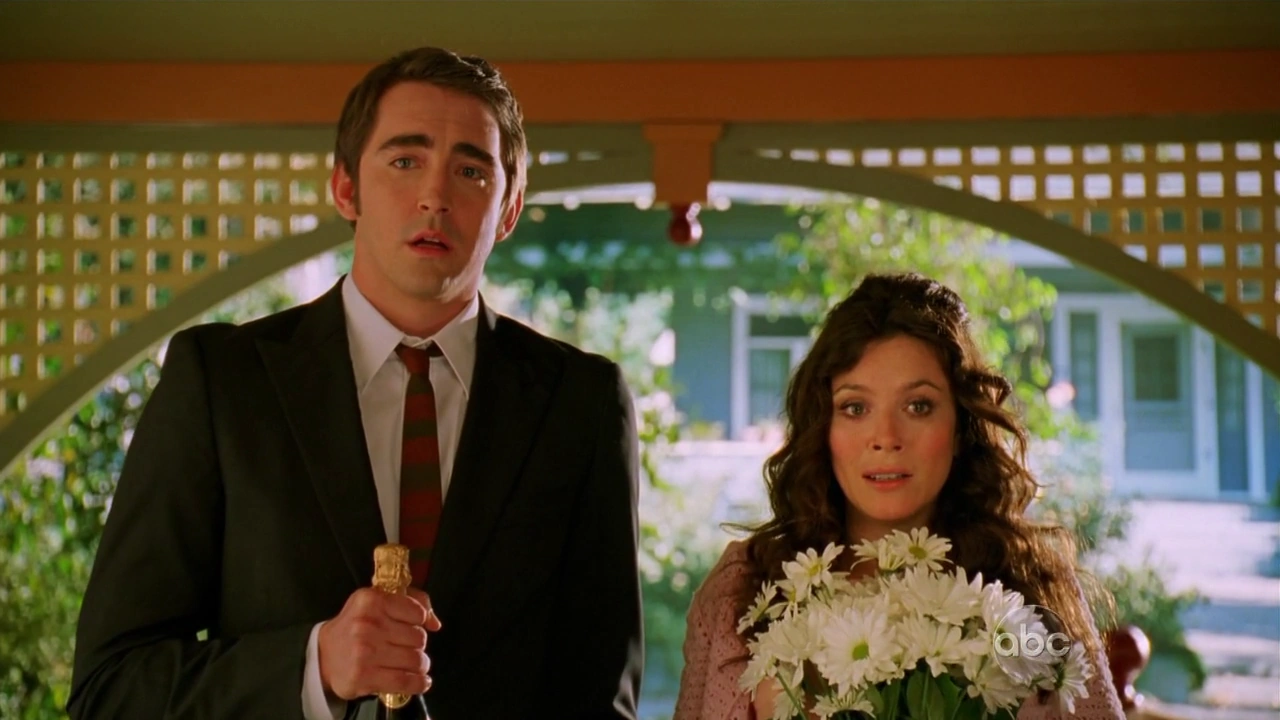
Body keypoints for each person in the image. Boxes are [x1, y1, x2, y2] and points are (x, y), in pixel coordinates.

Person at [68, 46, 644, 720]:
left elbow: (599, 701)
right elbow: (110, 689)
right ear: (346, 189)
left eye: (470, 171)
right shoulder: (223, 383)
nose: (435, 196)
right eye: (405, 161)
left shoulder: (581, 403)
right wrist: (314, 666)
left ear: (509, 208)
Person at [673, 272, 1124, 720]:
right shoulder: (741, 587)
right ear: (823, 426)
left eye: (918, 406)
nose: (886, 438)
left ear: (961, 427)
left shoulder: (1029, 587)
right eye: (855, 408)